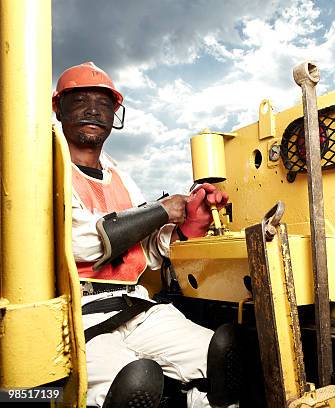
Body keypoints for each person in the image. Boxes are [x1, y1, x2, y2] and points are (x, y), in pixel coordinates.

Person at [53, 61, 231, 408]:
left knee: (218, 357)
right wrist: (162, 209)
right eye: (80, 101)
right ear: (58, 108)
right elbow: (83, 243)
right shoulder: (48, 168)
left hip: (135, 305)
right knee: (131, 382)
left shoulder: (120, 176)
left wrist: (189, 223)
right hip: (78, 312)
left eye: (104, 103)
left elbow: (145, 250)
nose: (93, 110)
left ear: (114, 113)